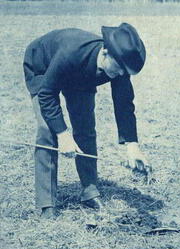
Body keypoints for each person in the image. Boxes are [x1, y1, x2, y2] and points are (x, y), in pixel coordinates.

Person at [23, 23, 151, 219]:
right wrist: (63, 134)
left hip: (79, 77)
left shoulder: (119, 65)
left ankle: (90, 191)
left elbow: (124, 104)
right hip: (42, 67)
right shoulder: (70, 52)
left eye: (124, 73)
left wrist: (132, 145)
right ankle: (46, 203)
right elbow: (47, 95)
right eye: (117, 70)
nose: (119, 76)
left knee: (85, 128)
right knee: (48, 131)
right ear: (105, 53)